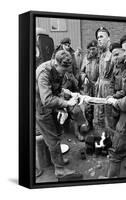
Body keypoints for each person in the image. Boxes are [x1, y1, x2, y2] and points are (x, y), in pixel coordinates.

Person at [36, 50, 82, 179]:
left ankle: (56, 162)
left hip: (51, 108)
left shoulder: (58, 70)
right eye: (63, 71)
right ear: (56, 64)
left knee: (55, 135)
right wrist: (67, 103)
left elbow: (57, 88)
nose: (64, 74)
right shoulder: (44, 73)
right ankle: (60, 170)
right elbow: (47, 99)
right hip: (42, 109)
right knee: (53, 140)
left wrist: (70, 93)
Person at [106, 34, 126, 177]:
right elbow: (125, 89)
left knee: (116, 148)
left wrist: (116, 102)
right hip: (123, 107)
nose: (125, 53)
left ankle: (110, 181)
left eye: (125, 50)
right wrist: (114, 96)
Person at [94, 27, 114, 132]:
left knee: (109, 115)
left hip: (108, 89)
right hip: (100, 87)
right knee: (99, 113)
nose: (99, 39)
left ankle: (111, 141)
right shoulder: (101, 55)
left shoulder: (112, 56)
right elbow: (100, 74)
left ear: (108, 39)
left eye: (101, 36)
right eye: (98, 37)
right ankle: (103, 138)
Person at [80, 40, 99, 129]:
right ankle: (89, 124)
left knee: (98, 106)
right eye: (90, 49)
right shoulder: (86, 58)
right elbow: (81, 71)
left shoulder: (100, 58)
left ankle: (97, 125)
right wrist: (85, 77)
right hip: (88, 86)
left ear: (97, 49)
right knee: (88, 106)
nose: (91, 51)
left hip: (97, 86)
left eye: (93, 49)